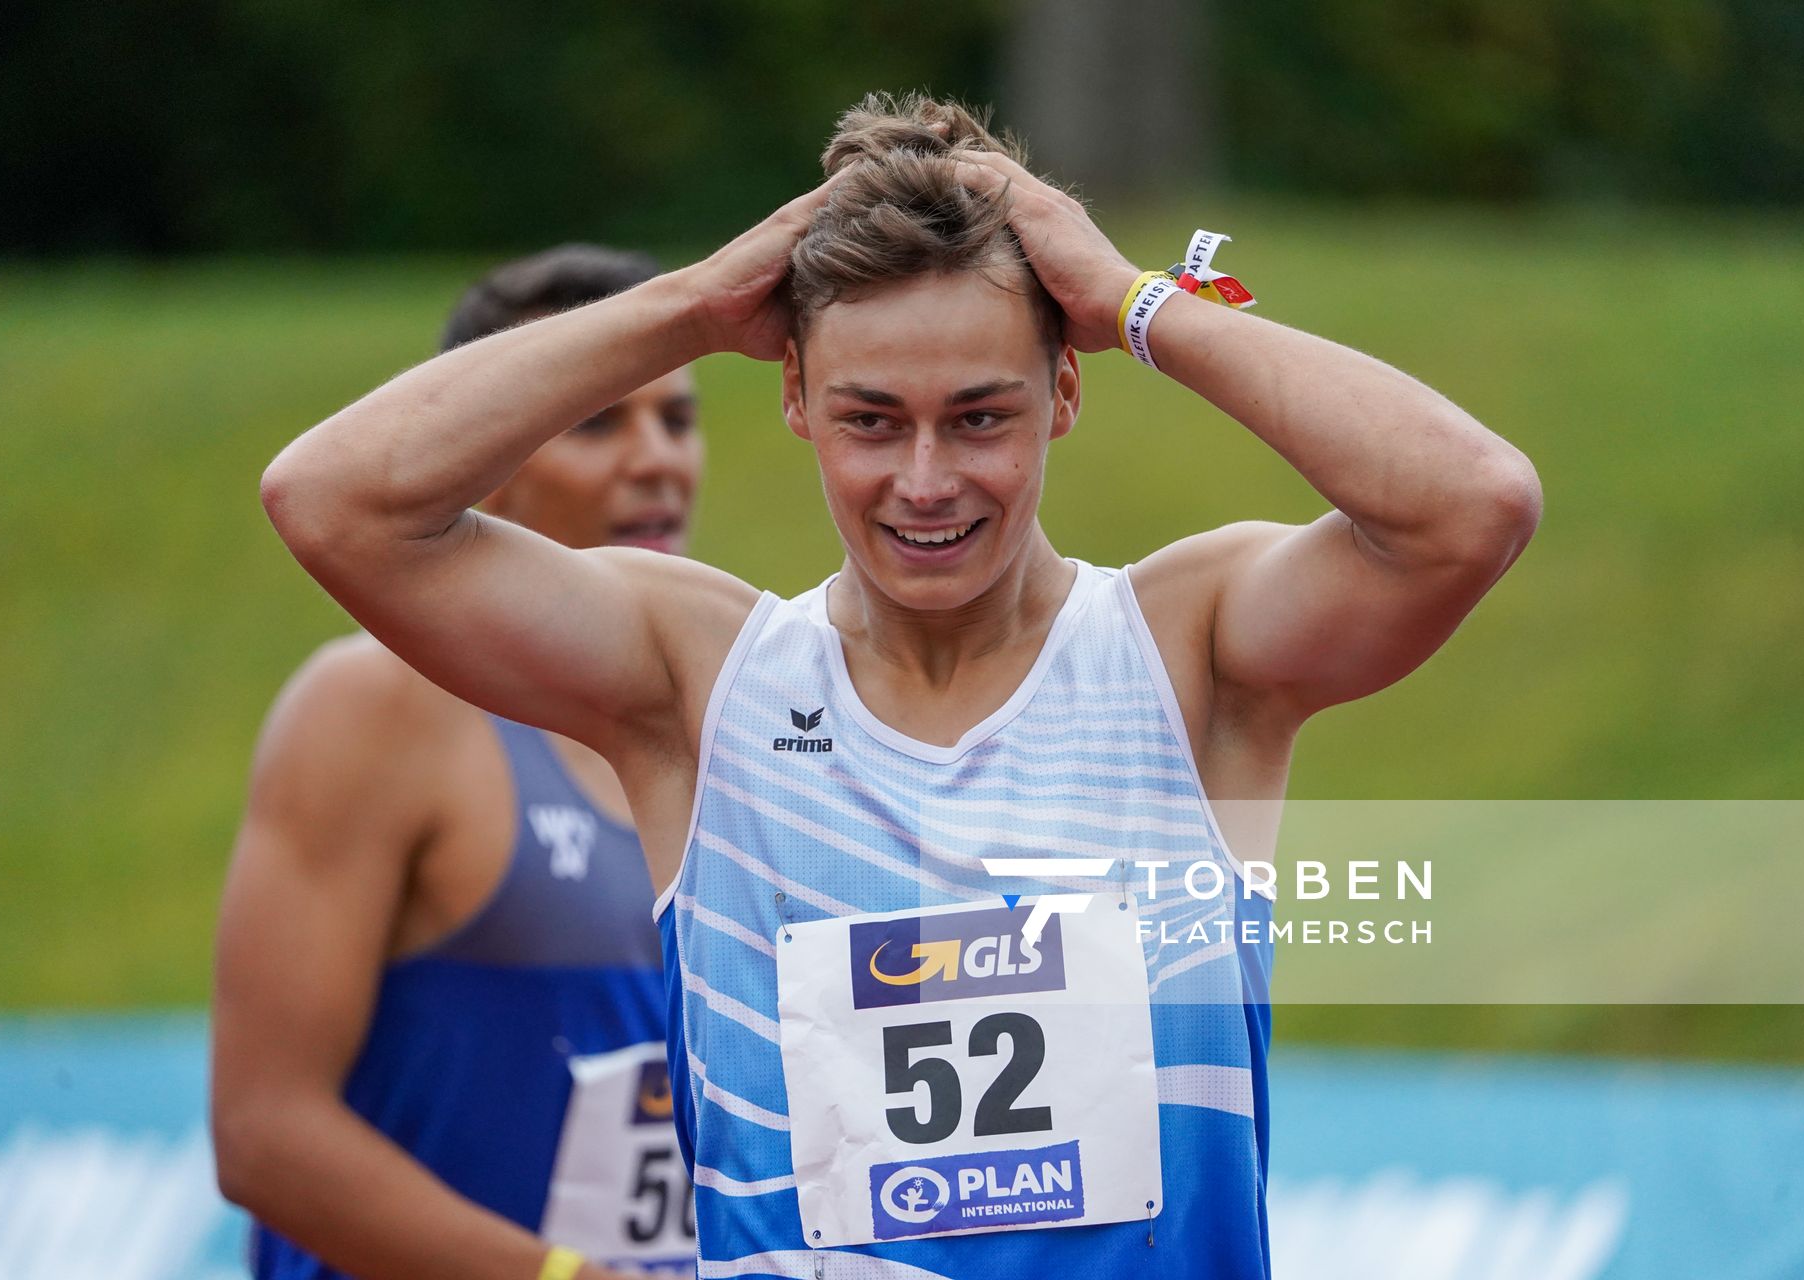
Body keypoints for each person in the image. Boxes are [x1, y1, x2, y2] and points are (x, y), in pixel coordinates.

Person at [256, 94, 1541, 1279]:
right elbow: (334, 504)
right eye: (873, 420)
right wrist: (697, 305)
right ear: (798, 400)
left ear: (1065, 390)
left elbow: (1468, 507)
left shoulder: (1190, 651)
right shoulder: (702, 680)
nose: (925, 482)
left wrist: (1135, 297)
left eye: (980, 416)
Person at [212, 245, 705, 1280]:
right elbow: (264, 1132)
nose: (657, 456)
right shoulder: (375, 706)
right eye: (599, 421)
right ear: (485, 453)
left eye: (678, 418)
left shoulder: (732, 711)